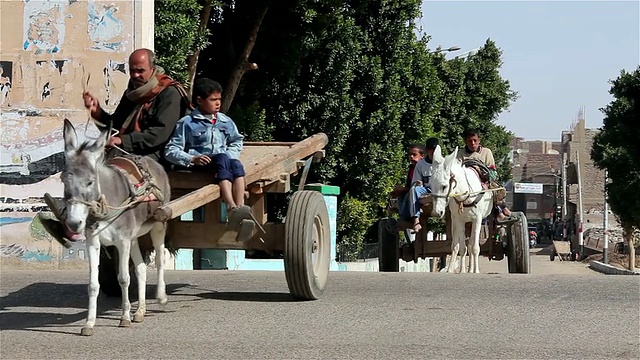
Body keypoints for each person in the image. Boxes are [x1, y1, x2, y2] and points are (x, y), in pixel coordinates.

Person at [40, 48, 191, 245]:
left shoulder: (169, 94)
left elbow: (159, 134)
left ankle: (80, 223)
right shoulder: (133, 92)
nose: (135, 75)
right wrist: (97, 111)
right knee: (84, 169)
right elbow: (115, 124)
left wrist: (123, 141)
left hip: (155, 154)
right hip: (126, 151)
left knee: (111, 178)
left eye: (140, 71)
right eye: (132, 70)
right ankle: (70, 219)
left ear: (152, 68)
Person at [164, 78, 255, 240]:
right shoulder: (187, 123)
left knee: (235, 163)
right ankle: (230, 206)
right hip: (201, 163)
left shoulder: (225, 121)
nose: (218, 103)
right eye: (213, 100)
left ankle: (240, 208)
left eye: (219, 99)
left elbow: (236, 140)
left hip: (222, 162)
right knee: (222, 160)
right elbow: (171, 150)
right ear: (200, 100)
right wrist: (192, 158)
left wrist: (230, 155)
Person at [456, 129, 517, 224]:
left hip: (483, 180)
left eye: (475, 140)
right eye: (469, 141)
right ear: (465, 142)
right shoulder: (460, 153)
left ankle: (500, 211)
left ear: (479, 140)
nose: (472, 143)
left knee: (495, 189)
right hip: (465, 183)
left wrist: (480, 171)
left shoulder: (486, 152)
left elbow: (493, 171)